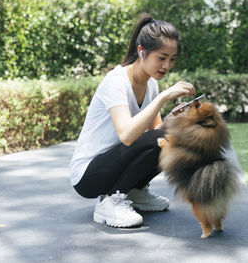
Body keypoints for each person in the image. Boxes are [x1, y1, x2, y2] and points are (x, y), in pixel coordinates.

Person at [69, 13, 195, 228]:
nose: (167, 65)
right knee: (161, 137)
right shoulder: (116, 81)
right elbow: (127, 136)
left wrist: (174, 117)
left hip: (116, 164)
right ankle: (111, 201)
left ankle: (134, 192)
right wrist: (163, 97)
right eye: (162, 58)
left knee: (171, 138)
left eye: (172, 59)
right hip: (89, 175)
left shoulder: (151, 83)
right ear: (141, 52)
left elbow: (157, 132)